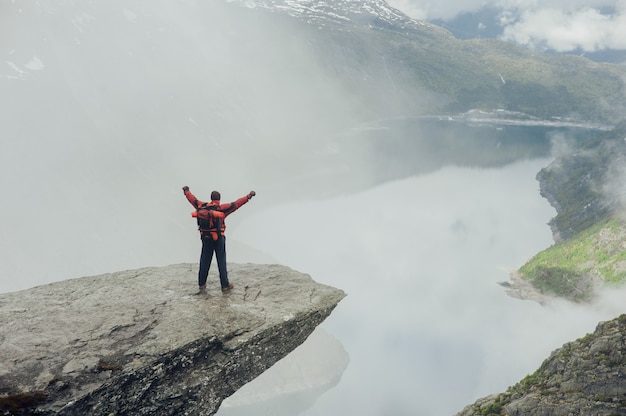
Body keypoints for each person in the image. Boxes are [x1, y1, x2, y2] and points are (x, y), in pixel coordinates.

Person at [182, 186, 256, 293]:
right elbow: (237, 204)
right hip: (218, 238)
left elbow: (192, 199)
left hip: (205, 237)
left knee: (204, 260)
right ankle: (225, 285)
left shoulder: (201, 206)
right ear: (219, 198)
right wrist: (248, 196)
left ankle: (201, 284)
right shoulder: (221, 209)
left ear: (211, 198)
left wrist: (186, 191)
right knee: (221, 261)